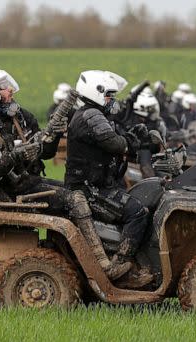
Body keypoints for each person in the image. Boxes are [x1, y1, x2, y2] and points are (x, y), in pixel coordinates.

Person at [0, 66, 130, 281]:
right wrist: (13, 157)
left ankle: (78, 257)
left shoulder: (23, 117)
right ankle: (102, 264)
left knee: (78, 192)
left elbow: (45, 154)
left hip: (30, 183)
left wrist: (54, 134)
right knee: (76, 199)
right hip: (6, 192)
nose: (10, 90)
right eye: (3, 88)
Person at [66, 70, 153, 288]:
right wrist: (133, 140)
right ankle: (121, 266)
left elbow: (117, 143)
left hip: (99, 185)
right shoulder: (91, 115)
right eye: (108, 95)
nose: (112, 100)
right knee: (138, 212)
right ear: (95, 92)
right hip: (89, 190)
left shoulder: (94, 114)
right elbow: (116, 144)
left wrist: (134, 138)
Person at [127, 92, 167, 178]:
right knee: (145, 152)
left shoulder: (148, 121)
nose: (153, 111)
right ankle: (149, 178)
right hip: (136, 153)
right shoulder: (133, 122)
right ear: (142, 109)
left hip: (146, 152)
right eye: (151, 109)